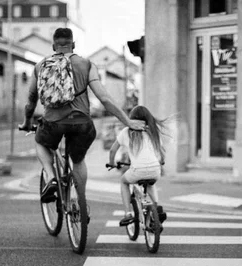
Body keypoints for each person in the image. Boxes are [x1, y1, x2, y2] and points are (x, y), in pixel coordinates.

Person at [19, 28, 144, 204]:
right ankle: (82, 202)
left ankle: (50, 176)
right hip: (81, 123)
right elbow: (105, 99)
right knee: (78, 160)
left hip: (53, 122)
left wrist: (26, 122)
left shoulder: (40, 66)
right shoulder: (86, 65)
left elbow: (31, 101)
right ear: (74, 45)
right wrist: (128, 121)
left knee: (40, 142)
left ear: (54, 45)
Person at [108, 105, 169, 226]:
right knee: (150, 183)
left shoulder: (126, 131)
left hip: (137, 170)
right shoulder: (153, 131)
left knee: (124, 182)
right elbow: (162, 151)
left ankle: (128, 214)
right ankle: (156, 208)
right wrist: (161, 161)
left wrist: (112, 163)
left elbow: (112, 150)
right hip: (155, 170)